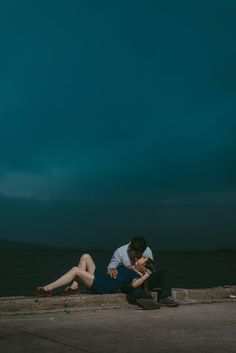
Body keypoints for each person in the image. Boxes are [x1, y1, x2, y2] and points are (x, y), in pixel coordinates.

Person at [35, 253, 160, 309]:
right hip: (103, 278)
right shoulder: (130, 267)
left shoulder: (137, 275)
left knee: (75, 270)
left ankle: (48, 289)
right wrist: (113, 269)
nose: (141, 257)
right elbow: (115, 271)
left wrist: (147, 274)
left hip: (105, 286)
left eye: (144, 258)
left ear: (145, 267)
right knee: (86, 256)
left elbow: (133, 285)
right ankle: (74, 287)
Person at [107, 236, 179, 307]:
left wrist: (143, 269)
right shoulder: (120, 251)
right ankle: (146, 300)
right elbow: (111, 267)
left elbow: (151, 269)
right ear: (130, 248)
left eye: (141, 253)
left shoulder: (147, 250)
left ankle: (165, 298)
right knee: (132, 287)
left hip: (144, 279)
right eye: (136, 253)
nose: (139, 255)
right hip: (131, 282)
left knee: (166, 272)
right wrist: (112, 269)